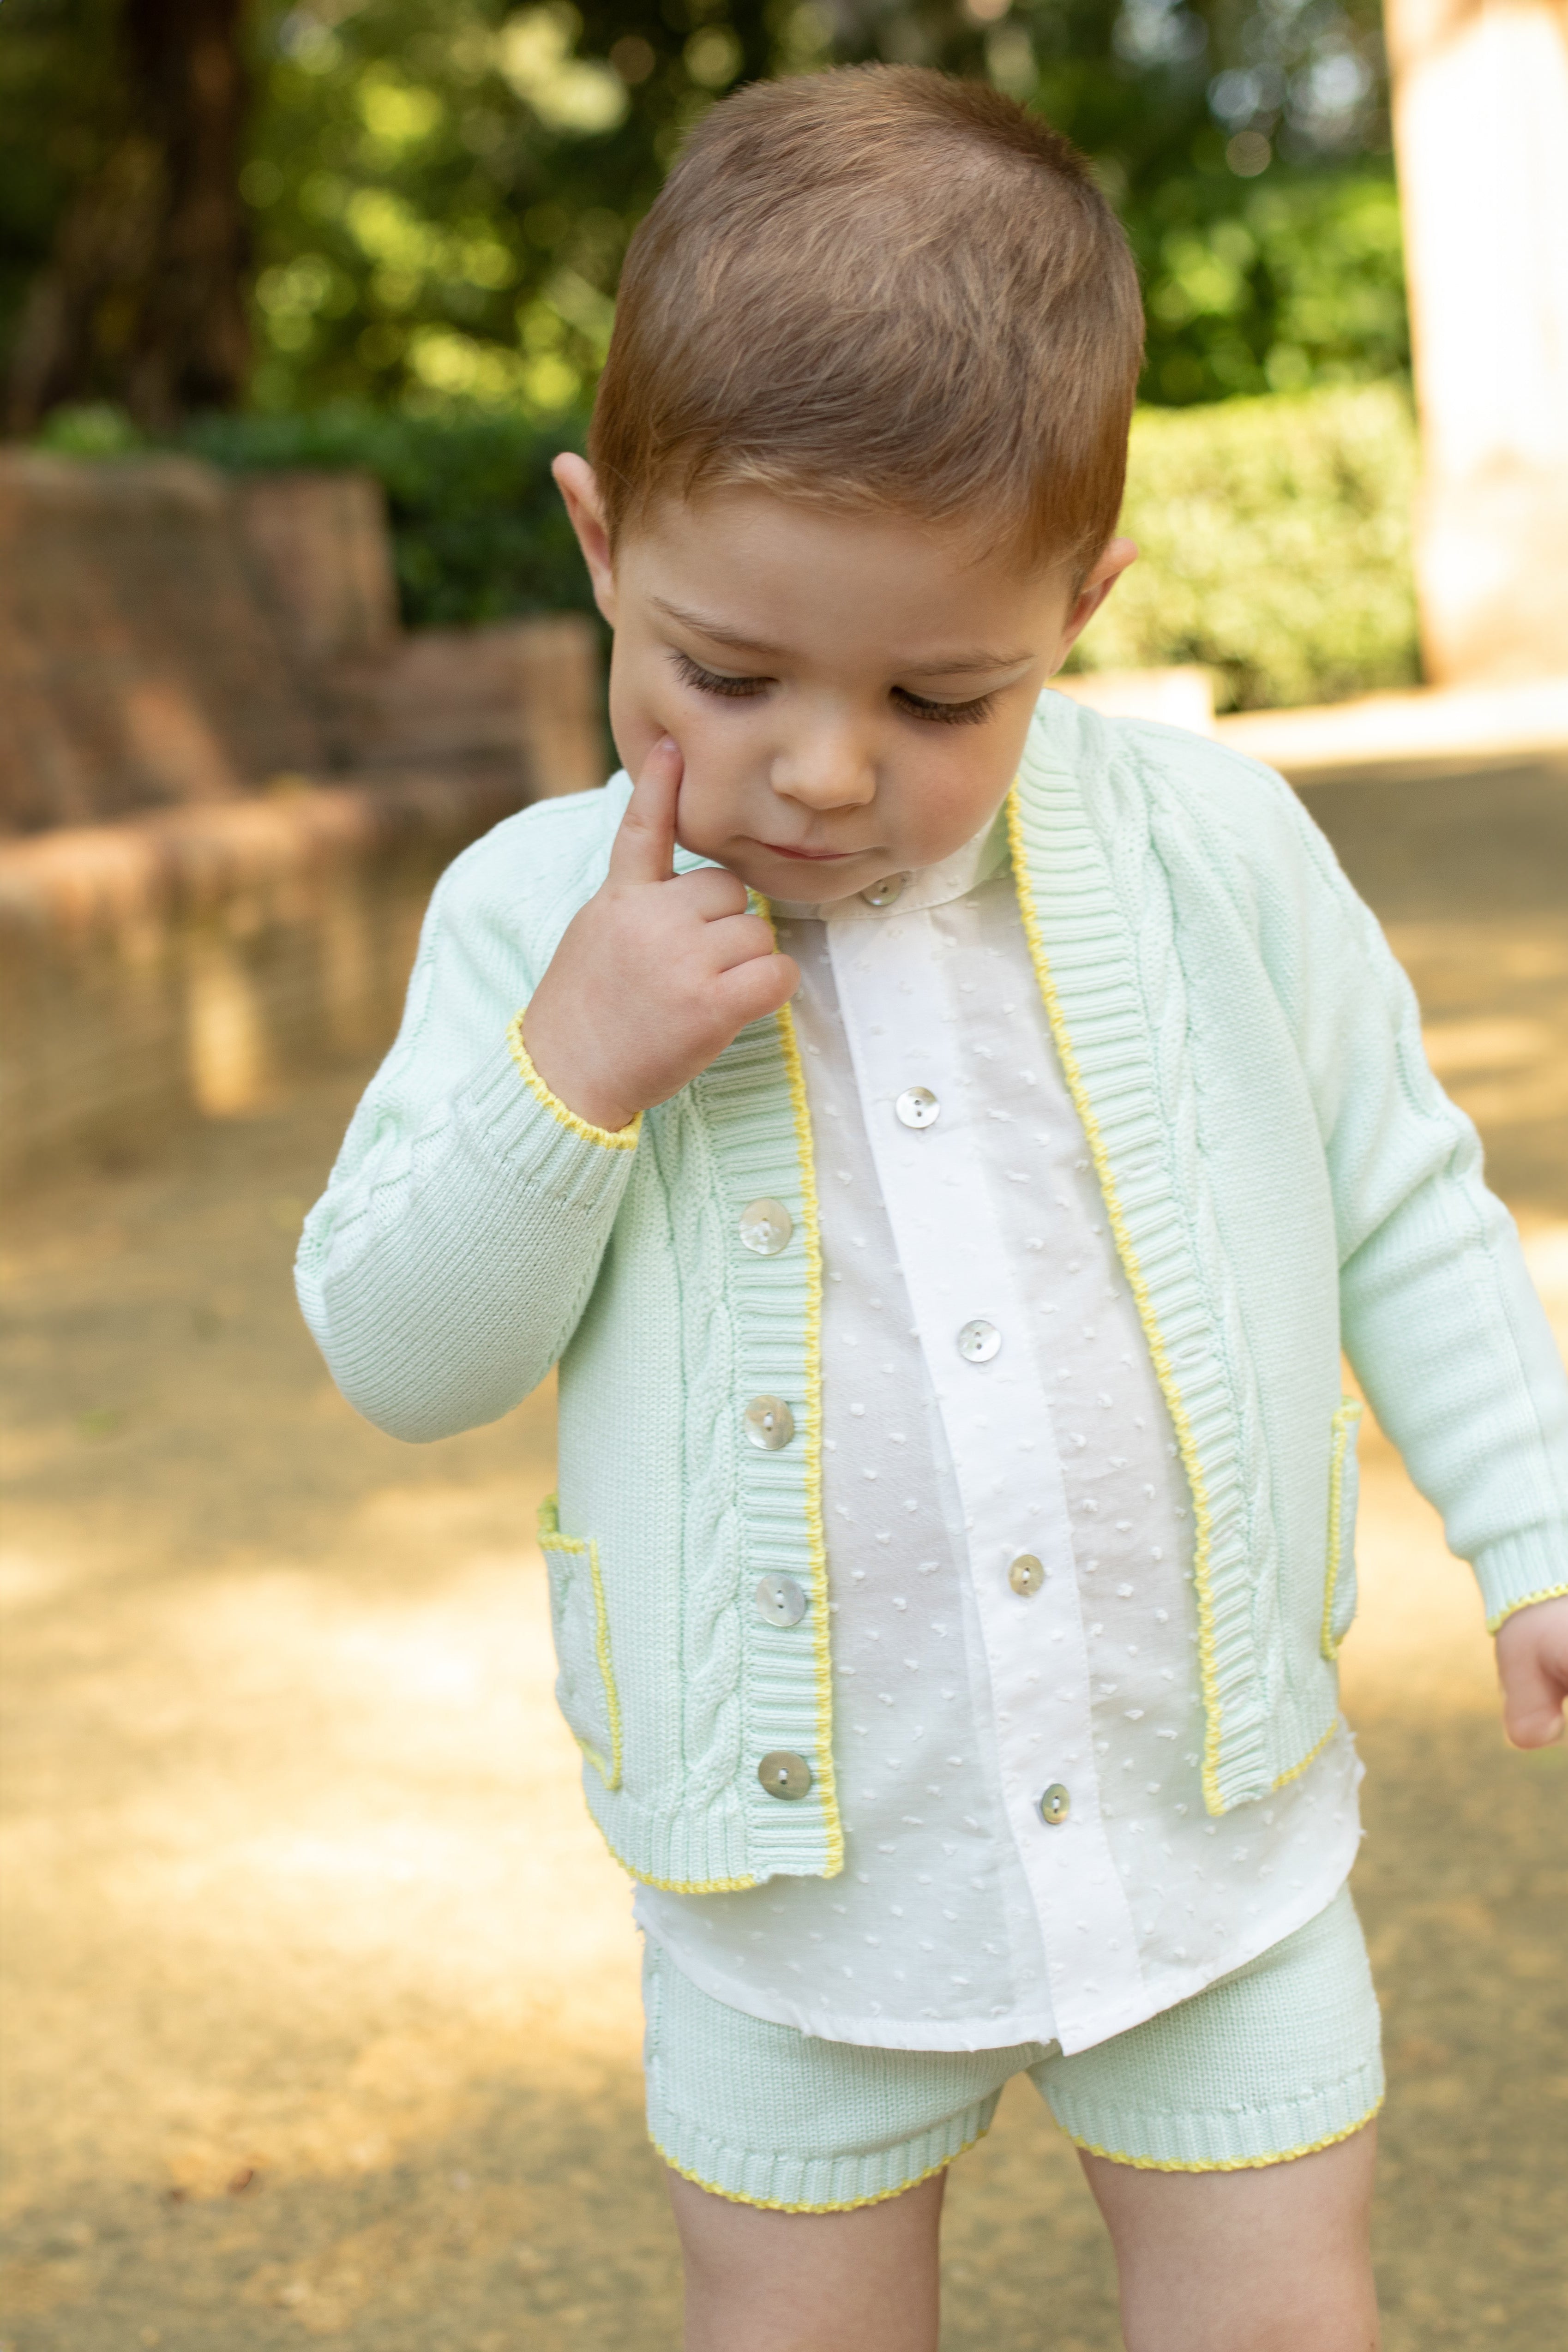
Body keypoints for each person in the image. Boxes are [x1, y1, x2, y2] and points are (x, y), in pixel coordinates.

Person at [296, 65, 1568, 2352]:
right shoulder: (526, 925)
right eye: (724, 669)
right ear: (600, 543)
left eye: (938, 691)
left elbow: (1397, 1183)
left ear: (1080, 602)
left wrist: (1540, 1519)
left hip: (1212, 1843)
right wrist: (560, 1081)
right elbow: (400, 1356)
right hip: (791, 1880)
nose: (819, 764)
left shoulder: (1212, 852)